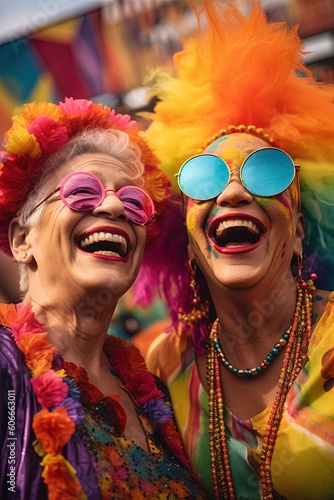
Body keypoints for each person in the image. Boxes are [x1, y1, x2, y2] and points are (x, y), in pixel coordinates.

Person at [134, 1, 334, 499]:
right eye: (206, 178)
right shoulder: (165, 364)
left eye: (266, 172)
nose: (233, 194)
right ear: (188, 237)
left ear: (301, 230)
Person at [0, 97, 207, 499]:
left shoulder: (153, 389)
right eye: (81, 191)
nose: (114, 205)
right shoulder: (6, 369)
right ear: (23, 240)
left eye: (134, 201)